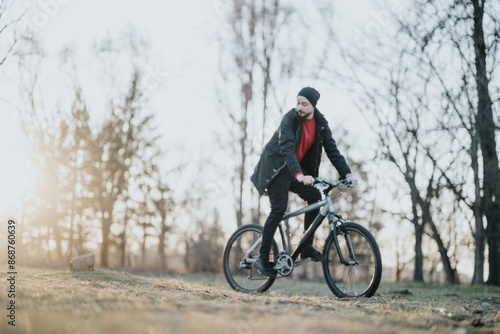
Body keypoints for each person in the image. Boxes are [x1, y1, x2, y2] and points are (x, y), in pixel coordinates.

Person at [250, 87, 358, 278]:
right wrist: (299, 175)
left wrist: (347, 173)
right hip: (276, 169)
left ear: (313, 106)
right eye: (298, 102)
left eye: (304, 104)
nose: (299, 107)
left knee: (315, 196)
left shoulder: (321, 125)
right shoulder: (289, 119)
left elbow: (332, 150)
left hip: (295, 171)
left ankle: (306, 247)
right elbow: (287, 149)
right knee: (278, 209)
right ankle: (262, 256)